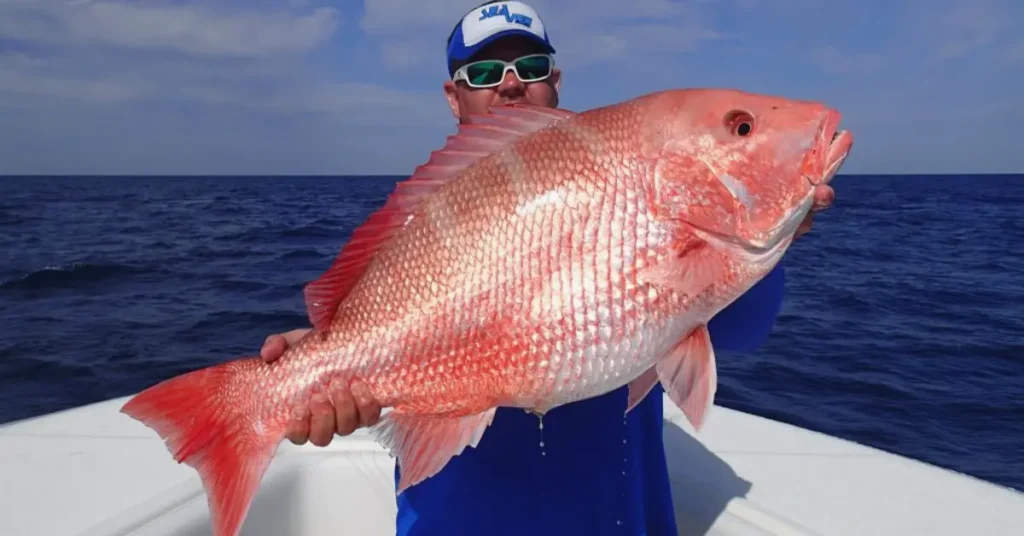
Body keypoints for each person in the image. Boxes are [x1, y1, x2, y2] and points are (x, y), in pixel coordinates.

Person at [260, 2, 833, 534]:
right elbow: (383, 330)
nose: (510, 81)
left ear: (555, 82)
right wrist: (320, 364)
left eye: (529, 65)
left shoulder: (622, 177)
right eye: (483, 73)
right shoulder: (416, 232)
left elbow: (743, 328)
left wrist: (762, 242)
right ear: (453, 97)